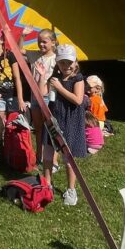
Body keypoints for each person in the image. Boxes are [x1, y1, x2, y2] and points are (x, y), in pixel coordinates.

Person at [41, 45, 88, 205]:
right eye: (62, 63)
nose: (66, 66)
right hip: (54, 118)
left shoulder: (78, 78)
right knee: (47, 153)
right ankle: (47, 185)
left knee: (68, 157)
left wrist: (60, 88)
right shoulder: (55, 77)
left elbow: (78, 99)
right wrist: (42, 77)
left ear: (75, 62)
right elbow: (42, 93)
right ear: (57, 63)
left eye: (69, 62)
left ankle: (71, 190)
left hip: (70, 120)